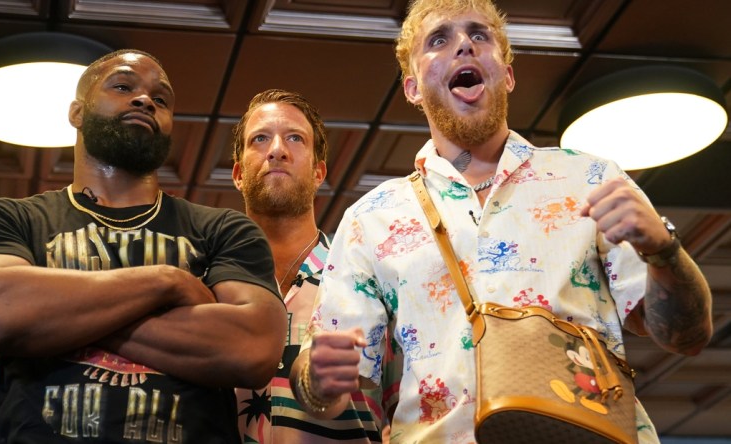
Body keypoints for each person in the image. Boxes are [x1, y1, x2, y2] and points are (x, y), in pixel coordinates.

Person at [289, 0, 714, 442]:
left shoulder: (591, 178)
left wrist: (664, 251)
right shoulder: (370, 219)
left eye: (479, 35)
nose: (463, 47)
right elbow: (322, 392)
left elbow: (687, 336)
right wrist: (316, 376)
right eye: (439, 39)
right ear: (413, 89)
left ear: (507, 76)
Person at [0, 49, 287, 443]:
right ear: (77, 113)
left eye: (161, 100)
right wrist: (167, 283)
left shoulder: (223, 229)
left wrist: (58, 317)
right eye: (123, 86)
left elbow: (253, 348)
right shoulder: (7, 219)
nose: (145, 100)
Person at [231, 89, 392, 443]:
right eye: (260, 138)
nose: (277, 149)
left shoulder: (368, 276)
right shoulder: (210, 283)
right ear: (239, 174)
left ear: (319, 172)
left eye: (294, 138)